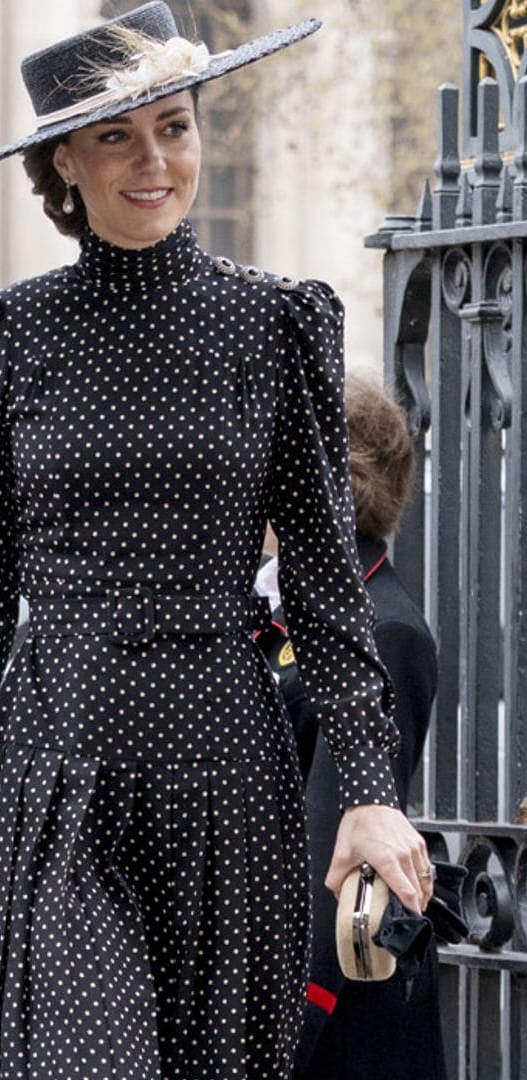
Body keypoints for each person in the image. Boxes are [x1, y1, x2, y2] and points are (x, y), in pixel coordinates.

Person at [0, 3, 435, 1076]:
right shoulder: (6, 334)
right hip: (57, 770)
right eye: (117, 136)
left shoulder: (278, 324)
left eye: (177, 127)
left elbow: (329, 587)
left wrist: (371, 795)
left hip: (227, 778)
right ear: (65, 160)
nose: (155, 161)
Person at [257, 376, 442, 1080]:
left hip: (336, 1006)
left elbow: (329, 848)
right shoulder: (286, 603)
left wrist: (283, 1030)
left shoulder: (385, 627)